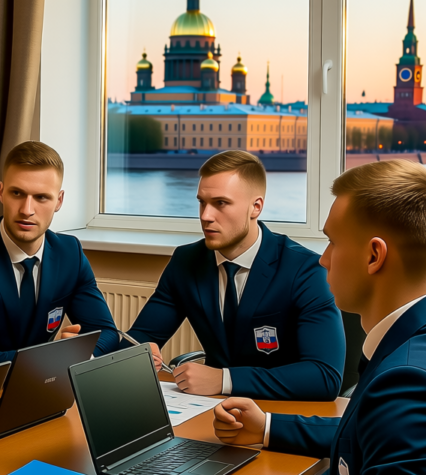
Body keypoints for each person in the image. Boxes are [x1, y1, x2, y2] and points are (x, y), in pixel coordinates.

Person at [213, 159, 426, 474]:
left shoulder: (407, 382)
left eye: (332, 242)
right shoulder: (418, 338)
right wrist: (266, 426)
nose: (323, 260)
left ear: (374, 256)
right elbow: (367, 432)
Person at [125, 150, 345, 400]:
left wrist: (224, 380)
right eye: (202, 202)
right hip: (212, 406)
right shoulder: (186, 261)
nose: (205, 216)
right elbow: (136, 339)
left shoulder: (305, 269)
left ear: (256, 207)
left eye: (221, 203)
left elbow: (324, 377)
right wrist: (140, 352)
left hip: (281, 410)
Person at [0, 141, 119, 375]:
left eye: (41, 197)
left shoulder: (70, 253)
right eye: (17, 193)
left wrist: (80, 356)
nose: (27, 209)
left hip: (45, 386)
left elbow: (107, 332)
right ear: (1, 192)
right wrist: (46, 360)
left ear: (59, 201)